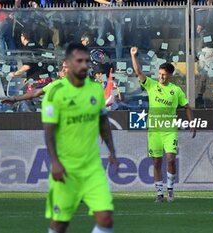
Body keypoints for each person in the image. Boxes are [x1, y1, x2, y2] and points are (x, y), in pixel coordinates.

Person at [42, 43, 118, 233]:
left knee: (106, 218)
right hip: (66, 166)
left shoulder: (94, 90)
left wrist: (112, 151)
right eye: (79, 61)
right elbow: (49, 131)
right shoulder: (55, 91)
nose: (84, 65)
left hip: (92, 167)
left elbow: (103, 123)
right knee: (59, 224)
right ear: (68, 63)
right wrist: (55, 162)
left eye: (86, 61)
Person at [130, 46, 196, 203]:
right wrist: (134, 56)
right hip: (154, 131)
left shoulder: (176, 90)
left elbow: (187, 107)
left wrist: (191, 123)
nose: (161, 77)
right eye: (159, 74)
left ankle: (170, 190)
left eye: (164, 75)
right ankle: (159, 194)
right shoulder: (152, 85)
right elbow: (138, 72)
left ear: (170, 76)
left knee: (171, 159)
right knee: (157, 162)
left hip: (169, 131)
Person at [1, 62, 68, 104]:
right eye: (62, 67)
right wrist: (15, 99)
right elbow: (36, 92)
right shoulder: (57, 83)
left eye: (66, 67)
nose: (63, 70)